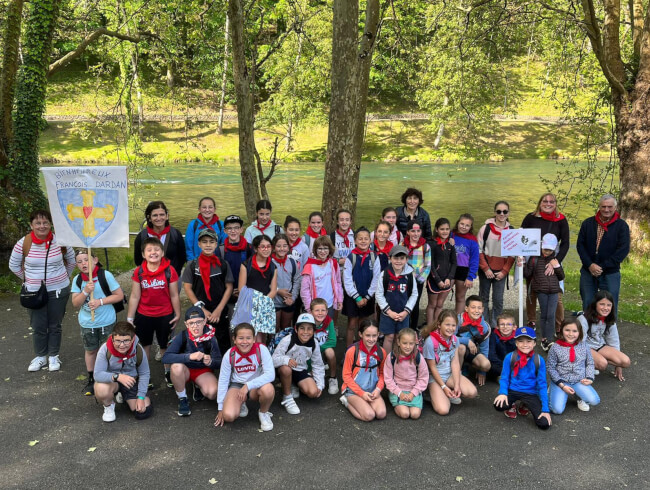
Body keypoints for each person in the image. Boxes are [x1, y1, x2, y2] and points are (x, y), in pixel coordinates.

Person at [9, 209, 76, 372]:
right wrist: (28, 280)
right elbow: (13, 265)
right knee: (38, 326)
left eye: (45, 222)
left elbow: (71, 261)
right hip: (34, 292)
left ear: (50, 224)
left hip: (59, 290)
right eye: (38, 223)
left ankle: (53, 355)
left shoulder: (61, 241)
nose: (42, 226)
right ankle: (40, 356)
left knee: (55, 325)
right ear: (31, 225)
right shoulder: (23, 243)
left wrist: (62, 279)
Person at [127, 237, 181, 386]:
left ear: (162, 252)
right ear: (143, 254)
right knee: (145, 345)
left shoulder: (170, 270)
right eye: (149, 250)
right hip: (144, 315)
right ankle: (145, 375)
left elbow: (174, 294)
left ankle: (168, 372)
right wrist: (130, 317)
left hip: (165, 314)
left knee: (165, 345)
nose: (153, 252)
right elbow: (135, 296)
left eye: (157, 249)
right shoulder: (139, 271)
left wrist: (178, 314)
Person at [71, 250, 125, 395]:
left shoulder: (105, 275)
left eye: (86, 259)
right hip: (87, 323)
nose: (83, 264)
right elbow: (75, 303)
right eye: (79, 261)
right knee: (91, 350)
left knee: (109, 350)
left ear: (95, 260)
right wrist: (85, 292)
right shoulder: (77, 280)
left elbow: (119, 295)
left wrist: (101, 302)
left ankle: (111, 376)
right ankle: (92, 378)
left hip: (106, 321)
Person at [520, 193, 570, 332]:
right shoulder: (531, 217)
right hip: (533, 260)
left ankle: (559, 326)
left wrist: (556, 261)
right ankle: (531, 321)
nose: (548, 204)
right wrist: (522, 257)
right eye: (545, 201)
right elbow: (521, 237)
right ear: (540, 202)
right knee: (532, 292)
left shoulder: (561, 220)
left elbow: (565, 243)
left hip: (551, 260)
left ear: (555, 203)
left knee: (556, 293)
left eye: (551, 201)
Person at [182, 228, 234, 356]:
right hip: (200, 310)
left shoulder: (222, 264)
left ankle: (224, 367)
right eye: (204, 242)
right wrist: (201, 309)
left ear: (216, 244)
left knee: (223, 339)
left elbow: (229, 287)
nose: (208, 245)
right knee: (200, 339)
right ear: (199, 244)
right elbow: (188, 288)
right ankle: (204, 367)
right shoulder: (192, 265)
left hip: (219, 309)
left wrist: (219, 310)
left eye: (211, 242)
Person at [162, 306, 222, 416]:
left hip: (202, 371)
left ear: (204, 321)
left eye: (198, 322)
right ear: (186, 324)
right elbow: (166, 357)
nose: (195, 326)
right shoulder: (183, 336)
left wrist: (211, 362)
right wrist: (189, 356)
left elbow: (219, 362)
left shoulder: (211, 336)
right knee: (176, 367)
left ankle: (197, 384)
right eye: (191, 323)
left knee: (212, 393)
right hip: (185, 370)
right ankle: (182, 398)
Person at [215, 323, 275, 431]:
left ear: (254, 339)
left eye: (248, 338)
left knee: (268, 389)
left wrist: (248, 386)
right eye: (241, 338)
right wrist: (220, 408)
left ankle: (263, 412)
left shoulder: (261, 349)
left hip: (255, 386)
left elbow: (270, 374)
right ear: (234, 339)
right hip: (237, 385)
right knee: (228, 416)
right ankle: (241, 402)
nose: (244, 342)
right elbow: (223, 380)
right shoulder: (230, 354)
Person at [577, 194, 630, 315]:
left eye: (610, 207)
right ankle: (588, 331)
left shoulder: (621, 226)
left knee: (609, 305)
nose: (606, 210)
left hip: (610, 272)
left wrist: (602, 267)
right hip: (588, 270)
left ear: (615, 207)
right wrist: (590, 265)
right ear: (599, 207)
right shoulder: (588, 223)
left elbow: (623, 250)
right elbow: (580, 246)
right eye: (604, 206)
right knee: (588, 302)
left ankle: (609, 332)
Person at [93, 321, 153, 423]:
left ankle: (125, 397)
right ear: (112, 339)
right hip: (112, 381)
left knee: (142, 412)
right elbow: (97, 374)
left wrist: (141, 397)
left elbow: (144, 373)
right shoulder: (104, 349)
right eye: (118, 341)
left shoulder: (138, 349)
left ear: (133, 339)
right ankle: (109, 406)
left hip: (131, 382)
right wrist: (118, 377)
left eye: (126, 341)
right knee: (101, 389)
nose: (122, 345)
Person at [493, 327, 551, 430]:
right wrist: (502, 393)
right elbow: (505, 378)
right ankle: (511, 405)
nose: (525, 344)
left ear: (534, 343)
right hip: (513, 390)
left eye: (529, 341)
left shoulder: (539, 360)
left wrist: (545, 409)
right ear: (516, 343)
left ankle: (525, 404)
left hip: (530, 393)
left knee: (544, 424)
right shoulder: (510, 357)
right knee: (499, 405)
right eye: (521, 341)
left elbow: (542, 384)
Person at [421, 310, 477, 415]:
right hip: (434, 377)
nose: (450, 328)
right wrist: (443, 387)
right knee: (443, 410)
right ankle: (430, 393)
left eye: (453, 325)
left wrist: (456, 384)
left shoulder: (455, 339)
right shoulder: (430, 341)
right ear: (439, 324)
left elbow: (455, 362)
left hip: (448, 374)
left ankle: (447, 391)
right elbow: (432, 368)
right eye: (447, 324)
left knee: (472, 392)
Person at [272, 313, 325, 415]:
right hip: (283, 370)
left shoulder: (314, 343)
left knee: (313, 392)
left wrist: (320, 384)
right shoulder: (288, 340)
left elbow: (318, 364)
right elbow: (273, 359)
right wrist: (286, 360)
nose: (305, 332)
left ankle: (293, 384)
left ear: (314, 331)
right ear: (296, 329)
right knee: (286, 369)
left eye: (309, 329)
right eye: (302, 328)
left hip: (301, 370)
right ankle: (287, 396)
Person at [231, 235, 278, 344]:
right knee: (247, 334)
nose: (266, 249)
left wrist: (262, 302)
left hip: (263, 305)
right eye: (262, 247)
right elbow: (241, 288)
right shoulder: (246, 265)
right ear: (256, 249)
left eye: (268, 246)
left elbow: (273, 290)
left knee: (261, 338)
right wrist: (254, 302)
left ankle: (260, 358)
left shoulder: (272, 267)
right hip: (248, 305)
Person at [547, 319, 600, 414]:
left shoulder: (584, 345)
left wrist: (590, 378)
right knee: (557, 410)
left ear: (579, 332)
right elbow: (550, 367)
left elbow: (590, 363)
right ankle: (555, 390)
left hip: (578, 380)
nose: (571, 334)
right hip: (561, 381)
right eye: (567, 330)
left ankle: (579, 397)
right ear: (561, 330)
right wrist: (561, 385)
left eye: (575, 331)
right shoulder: (555, 347)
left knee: (594, 400)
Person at [523, 233, 565, 352]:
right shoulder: (534, 258)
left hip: (554, 291)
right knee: (544, 314)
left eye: (550, 250)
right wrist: (523, 264)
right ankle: (544, 339)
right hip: (541, 291)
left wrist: (556, 266)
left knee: (551, 315)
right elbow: (527, 274)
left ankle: (549, 339)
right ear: (541, 246)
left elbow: (561, 276)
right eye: (545, 249)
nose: (547, 252)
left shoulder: (555, 259)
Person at [340, 319, 387, 422]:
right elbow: (346, 376)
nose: (371, 339)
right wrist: (362, 393)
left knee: (381, 414)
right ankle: (346, 401)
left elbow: (383, 374)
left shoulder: (381, 352)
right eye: (367, 335)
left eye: (374, 335)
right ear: (360, 334)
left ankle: (365, 403)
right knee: (369, 415)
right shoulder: (352, 351)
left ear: (378, 334)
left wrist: (378, 389)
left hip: (372, 390)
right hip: (354, 391)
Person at [577, 291, 630, 381]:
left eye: (609, 305)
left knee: (625, 362)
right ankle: (586, 365)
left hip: (599, 345)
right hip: (584, 346)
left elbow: (614, 340)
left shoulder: (609, 319)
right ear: (595, 305)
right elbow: (579, 342)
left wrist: (618, 365)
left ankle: (596, 359)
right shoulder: (584, 319)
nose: (605, 308)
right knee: (602, 364)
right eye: (602, 304)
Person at [375, 245, 419, 353]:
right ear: (390, 258)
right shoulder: (384, 275)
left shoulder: (409, 275)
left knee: (400, 338)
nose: (398, 261)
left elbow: (414, 294)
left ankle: (398, 361)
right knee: (389, 337)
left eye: (401, 258)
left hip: (403, 315)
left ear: (406, 259)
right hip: (387, 314)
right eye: (395, 258)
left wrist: (406, 311)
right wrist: (389, 312)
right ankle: (387, 362)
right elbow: (379, 295)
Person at [477, 201, 515, 326]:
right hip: (486, 270)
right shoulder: (485, 229)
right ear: (495, 212)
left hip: (501, 271)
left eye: (505, 211)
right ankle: (484, 325)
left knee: (498, 300)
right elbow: (479, 250)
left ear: (508, 213)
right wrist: (486, 269)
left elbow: (513, 254)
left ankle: (495, 325)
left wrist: (504, 271)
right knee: (484, 299)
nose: (502, 214)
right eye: (499, 211)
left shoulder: (511, 231)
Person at [343, 227, 381, 347]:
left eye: (366, 239)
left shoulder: (374, 257)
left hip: (367, 297)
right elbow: (347, 280)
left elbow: (376, 278)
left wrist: (368, 297)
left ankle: (361, 350)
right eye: (360, 239)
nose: (363, 241)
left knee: (363, 325)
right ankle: (348, 351)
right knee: (351, 325)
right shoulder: (351, 258)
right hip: (353, 296)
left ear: (370, 240)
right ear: (355, 241)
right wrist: (357, 297)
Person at [384, 328, 429, 419]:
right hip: (397, 390)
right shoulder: (392, 357)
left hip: (413, 390)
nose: (408, 347)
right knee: (405, 414)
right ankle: (396, 403)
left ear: (415, 343)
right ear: (398, 342)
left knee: (415, 415)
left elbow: (423, 378)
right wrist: (400, 393)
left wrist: (413, 393)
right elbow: (388, 378)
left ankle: (409, 401)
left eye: (411, 343)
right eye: (405, 343)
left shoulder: (418, 357)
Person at [133, 201, 186, 278]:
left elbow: (182, 257)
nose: (159, 218)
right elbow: (138, 259)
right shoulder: (142, 237)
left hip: (172, 278)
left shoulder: (176, 234)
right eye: (155, 215)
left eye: (162, 215)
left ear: (167, 216)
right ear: (149, 218)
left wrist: (175, 274)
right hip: (149, 280)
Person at [300, 235, 343, 318]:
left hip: (329, 304)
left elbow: (338, 282)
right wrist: (309, 308)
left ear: (330, 249)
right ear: (315, 250)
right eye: (320, 248)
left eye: (325, 248)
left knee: (327, 328)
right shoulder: (309, 266)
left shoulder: (333, 263)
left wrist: (339, 299)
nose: (323, 251)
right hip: (315, 307)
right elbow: (304, 290)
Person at [426, 218, 457, 325]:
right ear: (436, 230)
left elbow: (454, 263)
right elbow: (431, 264)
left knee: (440, 305)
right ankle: (429, 328)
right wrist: (438, 280)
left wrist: (449, 278)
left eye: (447, 229)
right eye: (442, 229)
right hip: (435, 279)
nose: (445, 231)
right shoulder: (431, 244)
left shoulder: (450, 244)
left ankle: (437, 326)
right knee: (432, 305)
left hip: (447, 279)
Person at [456, 295, 491, 386]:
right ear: (466, 308)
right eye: (473, 307)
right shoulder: (458, 320)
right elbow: (449, 339)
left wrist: (482, 371)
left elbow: (484, 349)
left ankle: (466, 365)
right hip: (455, 352)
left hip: (471, 351)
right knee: (461, 347)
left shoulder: (484, 326)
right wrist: (467, 341)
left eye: (479, 308)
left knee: (486, 365)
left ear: (483, 309)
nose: (476, 311)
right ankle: (456, 375)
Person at [219, 215, 252, 304]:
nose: (233, 231)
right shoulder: (220, 250)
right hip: (226, 292)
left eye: (236, 227)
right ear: (225, 231)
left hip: (245, 292)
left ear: (242, 229)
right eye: (229, 228)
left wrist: (242, 289)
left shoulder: (249, 248)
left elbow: (253, 271)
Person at [404, 220, 431, 330]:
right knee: (404, 302)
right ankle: (404, 326)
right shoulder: (402, 245)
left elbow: (427, 265)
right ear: (408, 232)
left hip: (418, 280)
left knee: (415, 303)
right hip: (404, 279)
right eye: (413, 231)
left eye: (418, 231)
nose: (415, 234)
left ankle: (413, 327)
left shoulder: (425, 247)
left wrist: (419, 279)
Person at [271, 234, 301, 330]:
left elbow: (297, 280)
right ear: (273, 248)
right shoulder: (269, 263)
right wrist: (278, 291)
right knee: (274, 329)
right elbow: (264, 282)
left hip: (288, 301)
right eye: (278, 246)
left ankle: (285, 344)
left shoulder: (292, 262)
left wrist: (293, 297)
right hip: (273, 302)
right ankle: (273, 345)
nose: (282, 249)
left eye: (284, 246)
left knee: (286, 327)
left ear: (288, 247)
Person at [451, 214, 479, 314]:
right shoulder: (451, 235)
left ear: (471, 227)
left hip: (463, 269)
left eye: (467, 225)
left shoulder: (472, 240)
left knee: (460, 297)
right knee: (442, 295)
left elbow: (475, 260)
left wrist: (470, 276)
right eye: (462, 224)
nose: (464, 227)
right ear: (458, 223)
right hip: (450, 267)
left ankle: (458, 321)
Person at [311, 298, 339, 395]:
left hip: (320, 349)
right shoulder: (307, 323)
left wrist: (317, 349)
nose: (320, 313)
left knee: (330, 352)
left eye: (323, 310)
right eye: (317, 310)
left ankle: (333, 378)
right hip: (309, 351)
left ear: (327, 311)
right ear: (311, 312)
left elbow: (332, 341)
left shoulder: (329, 321)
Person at [185, 196, 226, 261]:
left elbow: (224, 246)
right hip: (197, 262)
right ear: (199, 209)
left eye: (210, 207)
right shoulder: (193, 225)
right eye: (204, 207)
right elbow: (189, 248)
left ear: (214, 209)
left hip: (215, 262)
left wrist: (220, 262)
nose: (207, 210)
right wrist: (193, 263)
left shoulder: (221, 225)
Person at [488, 314, 517, 381]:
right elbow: (491, 355)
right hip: (499, 364)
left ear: (514, 327)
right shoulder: (494, 336)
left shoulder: (517, 337)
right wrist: (504, 365)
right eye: (502, 324)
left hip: (513, 364)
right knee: (490, 366)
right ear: (497, 327)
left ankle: (507, 376)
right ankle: (504, 376)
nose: (505, 327)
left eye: (508, 324)